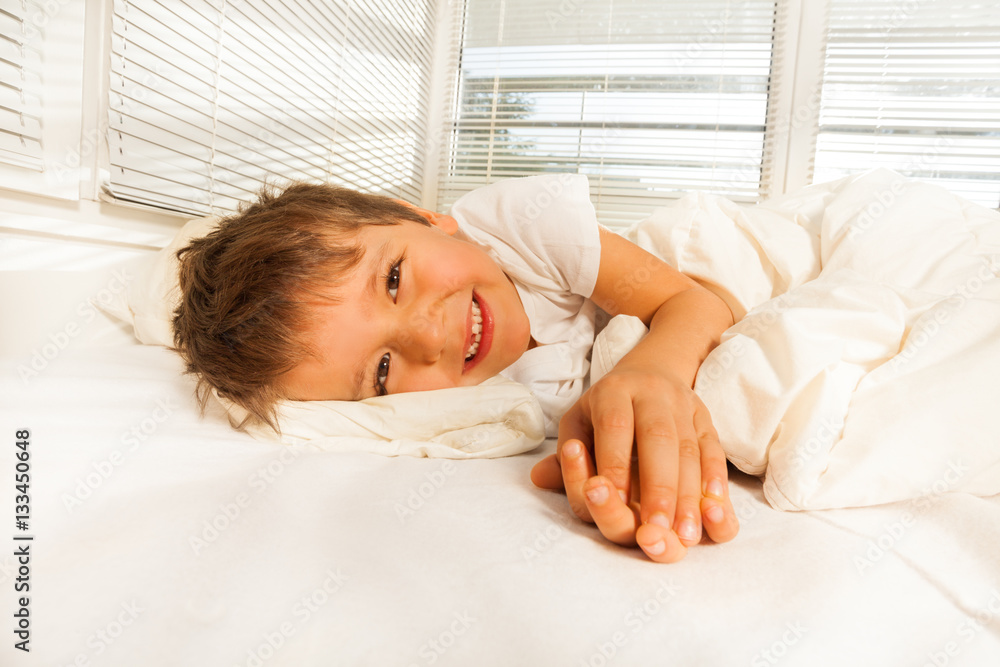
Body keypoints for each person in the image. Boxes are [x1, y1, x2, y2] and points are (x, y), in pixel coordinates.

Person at [172, 175, 741, 563]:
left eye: (394, 279)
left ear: (426, 219)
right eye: (383, 370)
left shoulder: (522, 229)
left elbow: (697, 302)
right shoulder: (470, 405)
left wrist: (654, 375)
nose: (427, 334)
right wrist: (621, 468)